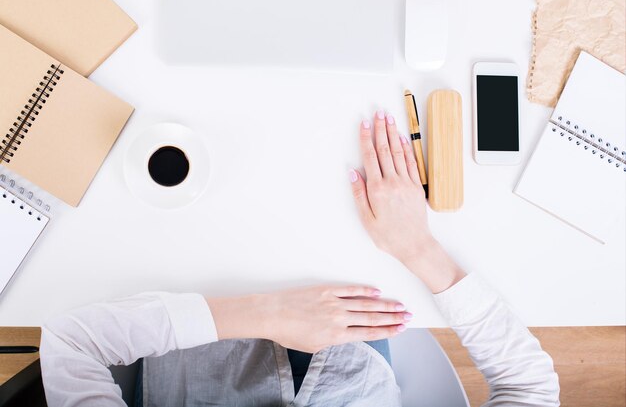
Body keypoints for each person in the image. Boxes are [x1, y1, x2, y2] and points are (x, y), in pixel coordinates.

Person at [40, 111, 560, 406]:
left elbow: (72, 342)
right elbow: (529, 386)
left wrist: (268, 315)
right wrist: (417, 246)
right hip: (357, 293)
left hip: (192, 281)